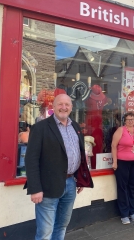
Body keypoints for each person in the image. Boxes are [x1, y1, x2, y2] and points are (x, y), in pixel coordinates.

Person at [24, 94, 93, 240]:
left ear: (71, 107)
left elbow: (80, 154)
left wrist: (80, 178)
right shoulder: (40, 128)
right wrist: (35, 188)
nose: (64, 107)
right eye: (60, 104)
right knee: (45, 233)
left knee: (61, 226)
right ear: (53, 107)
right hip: (47, 186)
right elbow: (31, 160)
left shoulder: (75, 126)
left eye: (67, 104)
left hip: (70, 184)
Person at [111, 112, 134, 225]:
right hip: (122, 162)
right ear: (124, 120)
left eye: (132, 119)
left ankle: (132, 211)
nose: (130, 121)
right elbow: (113, 146)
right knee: (123, 187)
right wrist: (115, 161)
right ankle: (124, 214)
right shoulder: (121, 130)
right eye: (128, 119)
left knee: (131, 187)